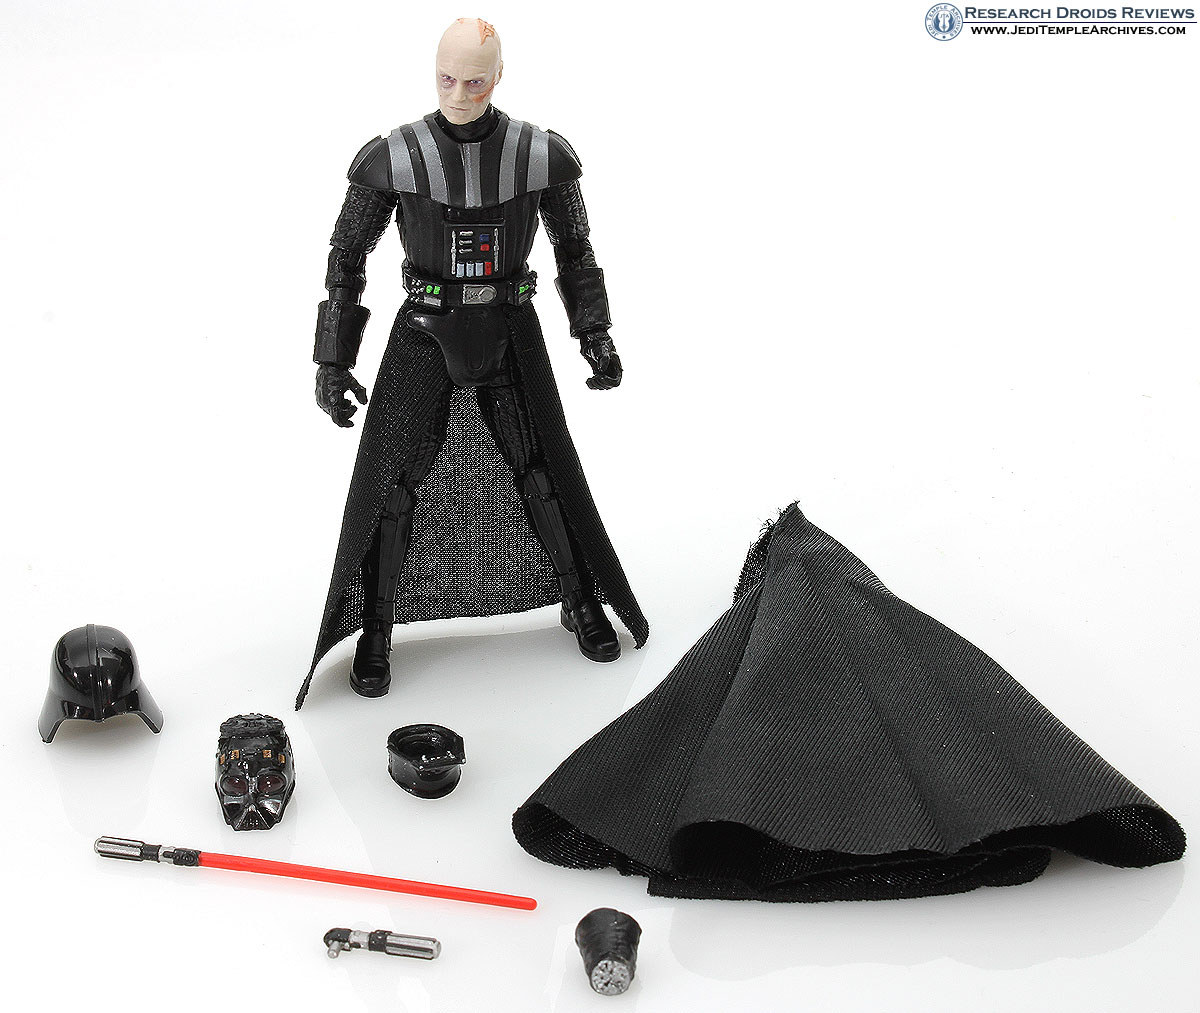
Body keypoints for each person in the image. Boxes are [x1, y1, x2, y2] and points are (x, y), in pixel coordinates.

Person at [296, 19, 647, 707]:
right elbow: (346, 258)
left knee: (540, 470)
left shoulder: (539, 155)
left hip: (510, 325)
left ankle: (579, 598)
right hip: (425, 330)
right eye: (447, 79)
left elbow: (575, 250)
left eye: (475, 81)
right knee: (396, 484)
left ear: (499, 77)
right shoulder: (394, 156)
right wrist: (331, 362)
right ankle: (376, 628)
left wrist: (594, 332)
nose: (458, 95)